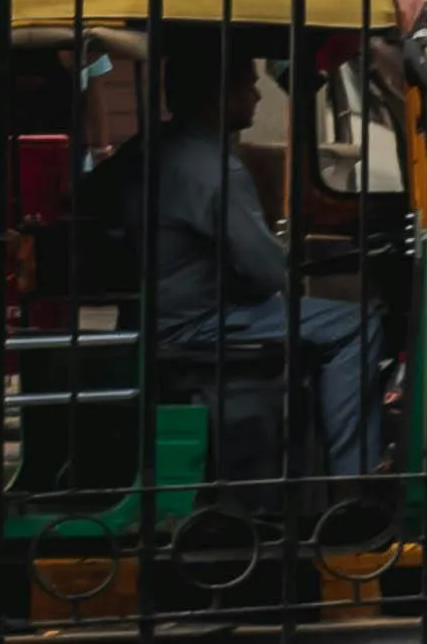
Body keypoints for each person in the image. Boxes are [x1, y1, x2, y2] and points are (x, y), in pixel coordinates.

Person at [121, 36, 378, 484]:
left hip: (149, 311)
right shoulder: (217, 170)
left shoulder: (146, 149)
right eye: (248, 85)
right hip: (194, 321)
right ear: (218, 97)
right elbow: (267, 270)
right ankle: (355, 479)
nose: (258, 96)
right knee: (357, 326)